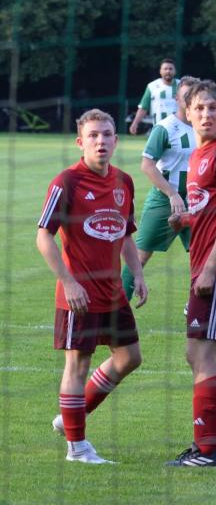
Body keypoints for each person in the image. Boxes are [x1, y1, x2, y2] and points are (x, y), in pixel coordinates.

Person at [39, 109, 147, 464]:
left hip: (113, 293)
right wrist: (68, 283)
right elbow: (44, 237)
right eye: (93, 136)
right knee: (78, 365)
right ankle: (77, 448)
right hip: (79, 296)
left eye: (106, 135)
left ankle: (71, 417)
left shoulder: (124, 182)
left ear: (116, 140)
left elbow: (127, 233)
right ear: (80, 142)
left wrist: (139, 274)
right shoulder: (66, 181)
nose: (101, 141)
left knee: (130, 357)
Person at [164, 80, 216, 467]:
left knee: (198, 352)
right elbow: (211, 209)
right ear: (187, 111)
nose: (206, 115)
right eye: (199, 109)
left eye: (213, 108)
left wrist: (211, 269)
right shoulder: (199, 155)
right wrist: (188, 218)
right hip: (206, 265)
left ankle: (206, 449)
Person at [121, 76, 198, 301]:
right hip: (165, 201)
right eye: (186, 96)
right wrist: (172, 193)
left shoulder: (205, 128)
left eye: (194, 95)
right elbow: (147, 165)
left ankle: (196, 310)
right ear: (177, 99)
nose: (190, 100)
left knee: (204, 257)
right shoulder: (165, 128)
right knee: (140, 256)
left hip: (197, 202)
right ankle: (115, 313)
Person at [129, 58, 179, 135]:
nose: (168, 71)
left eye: (170, 69)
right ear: (160, 71)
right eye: (165, 69)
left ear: (175, 71)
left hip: (178, 129)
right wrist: (135, 123)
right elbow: (143, 107)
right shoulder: (152, 86)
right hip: (158, 128)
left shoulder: (182, 86)